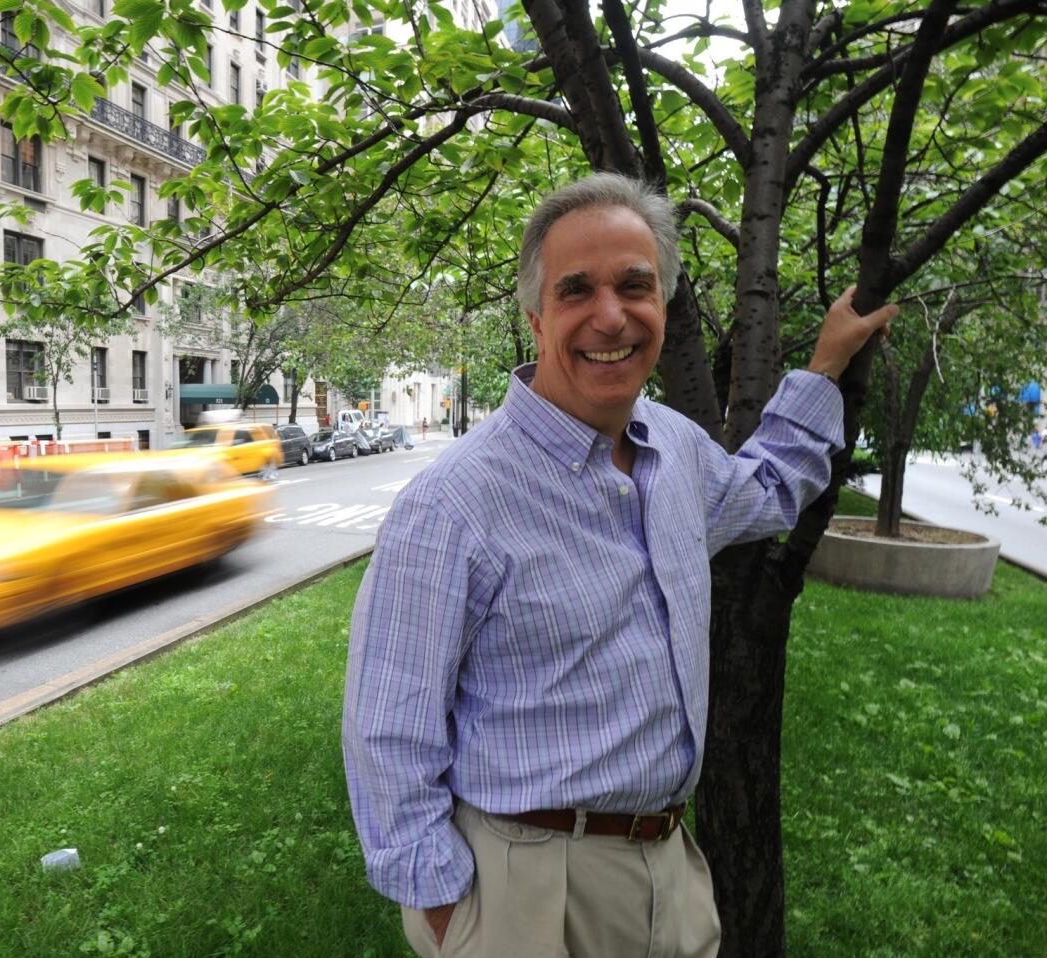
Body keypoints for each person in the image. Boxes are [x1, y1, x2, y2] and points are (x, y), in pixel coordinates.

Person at [342, 173, 897, 958]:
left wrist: (826, 364)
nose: (611, 315)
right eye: (577, 290)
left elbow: (767, 491)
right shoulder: (451, 506)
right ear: (536, 317)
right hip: (524, 896)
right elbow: (386, 732)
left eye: (635, 286)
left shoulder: (674, 447)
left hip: (670, 870)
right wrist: (451, 913)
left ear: (663, 305)